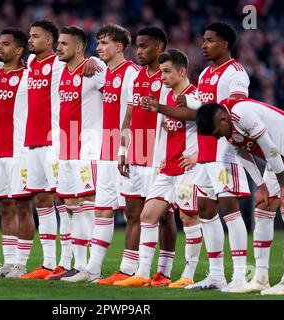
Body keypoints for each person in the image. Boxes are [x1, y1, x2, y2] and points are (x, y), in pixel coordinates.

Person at [195, 98, 284, 295]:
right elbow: (243, 153)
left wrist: (283, 184)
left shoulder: (242, 113)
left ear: (224, 119)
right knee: (262, 208)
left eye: (217, 133)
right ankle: (261, 278)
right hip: (277, 158)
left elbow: (268, 147)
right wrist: (261, 186)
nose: (218, 138)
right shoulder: (227, 130)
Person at [169, 22, 251, 292]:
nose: (203, 45)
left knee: (229, 209)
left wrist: (196, 105)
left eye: (210, 40)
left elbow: (236, 109)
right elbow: (205, 112)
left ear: (225, 44)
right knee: (205, 210)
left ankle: (239, 275)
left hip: (225, 150)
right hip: (204, 151)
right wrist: (192, 107)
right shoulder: (205, 73)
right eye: (203, 40)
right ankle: (216, 275)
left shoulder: (236, 73)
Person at [19, 20, 100, 280]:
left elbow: (91, 65)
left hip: (59, 141)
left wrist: (94, 60)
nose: (29, 40)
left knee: (68, 202)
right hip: (34, 141)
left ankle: (71, 261)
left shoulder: (59, 64)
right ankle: (49, 261)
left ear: (51, 41)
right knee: (44, 200)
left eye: (35, 36)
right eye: (29, 36)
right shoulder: (31, 63)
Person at [60, 23, 140, 283]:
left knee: (134, 210)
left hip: (129, 150)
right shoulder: (104, 72)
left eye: (104, 43)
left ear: (119, 47)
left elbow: (134, 113)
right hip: (105, 150)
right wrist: (93, 58)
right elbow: (91, 64)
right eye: (98, 43)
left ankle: (132, 267)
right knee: (103, 210)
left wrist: (126, 148)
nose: (99, 48)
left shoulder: (132, 73)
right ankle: (92, 270)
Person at [117, 49, 202, 287]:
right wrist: (161, 157)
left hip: (189, 171)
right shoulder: (165, 97)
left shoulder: (196, 96)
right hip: (167, 169)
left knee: (188, 217)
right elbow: (164, 132)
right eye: (161, 71)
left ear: (182, 71)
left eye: (167, 72)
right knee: (147, 215)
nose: (162, 77)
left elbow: (212, 129)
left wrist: (198, 154)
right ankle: (143, 274)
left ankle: (188, 275)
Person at [112, 26, 177, 286]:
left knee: (164, 215)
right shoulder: (135, 77)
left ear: (159, 48)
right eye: (137, 46)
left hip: (158, 156)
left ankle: (164, 270)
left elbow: (174, 117)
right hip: (136, 152)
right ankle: (130, 270)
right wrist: (122, 150)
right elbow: (128, 116)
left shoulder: (167, 77)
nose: (138, 51)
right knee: (133, 211)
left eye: (144, 46)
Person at [47, 25, 106, 280]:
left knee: (87, 204)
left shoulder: (95, 70)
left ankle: (93, 267)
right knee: (70, 205)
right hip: (66, 146)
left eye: (63, 44)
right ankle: (79, 265)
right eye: (58, 43)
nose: (58, 48)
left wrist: (94, 59)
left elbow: (119, 85)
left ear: (79, 48)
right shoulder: (60, 69)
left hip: (88, 147)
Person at [0, 27, 34, 279]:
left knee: (23, 206)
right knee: (4, 206)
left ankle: (21, 264)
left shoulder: (29, 76)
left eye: (6, 44)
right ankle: (8, 262)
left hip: (20, 151)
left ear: (19, 50)